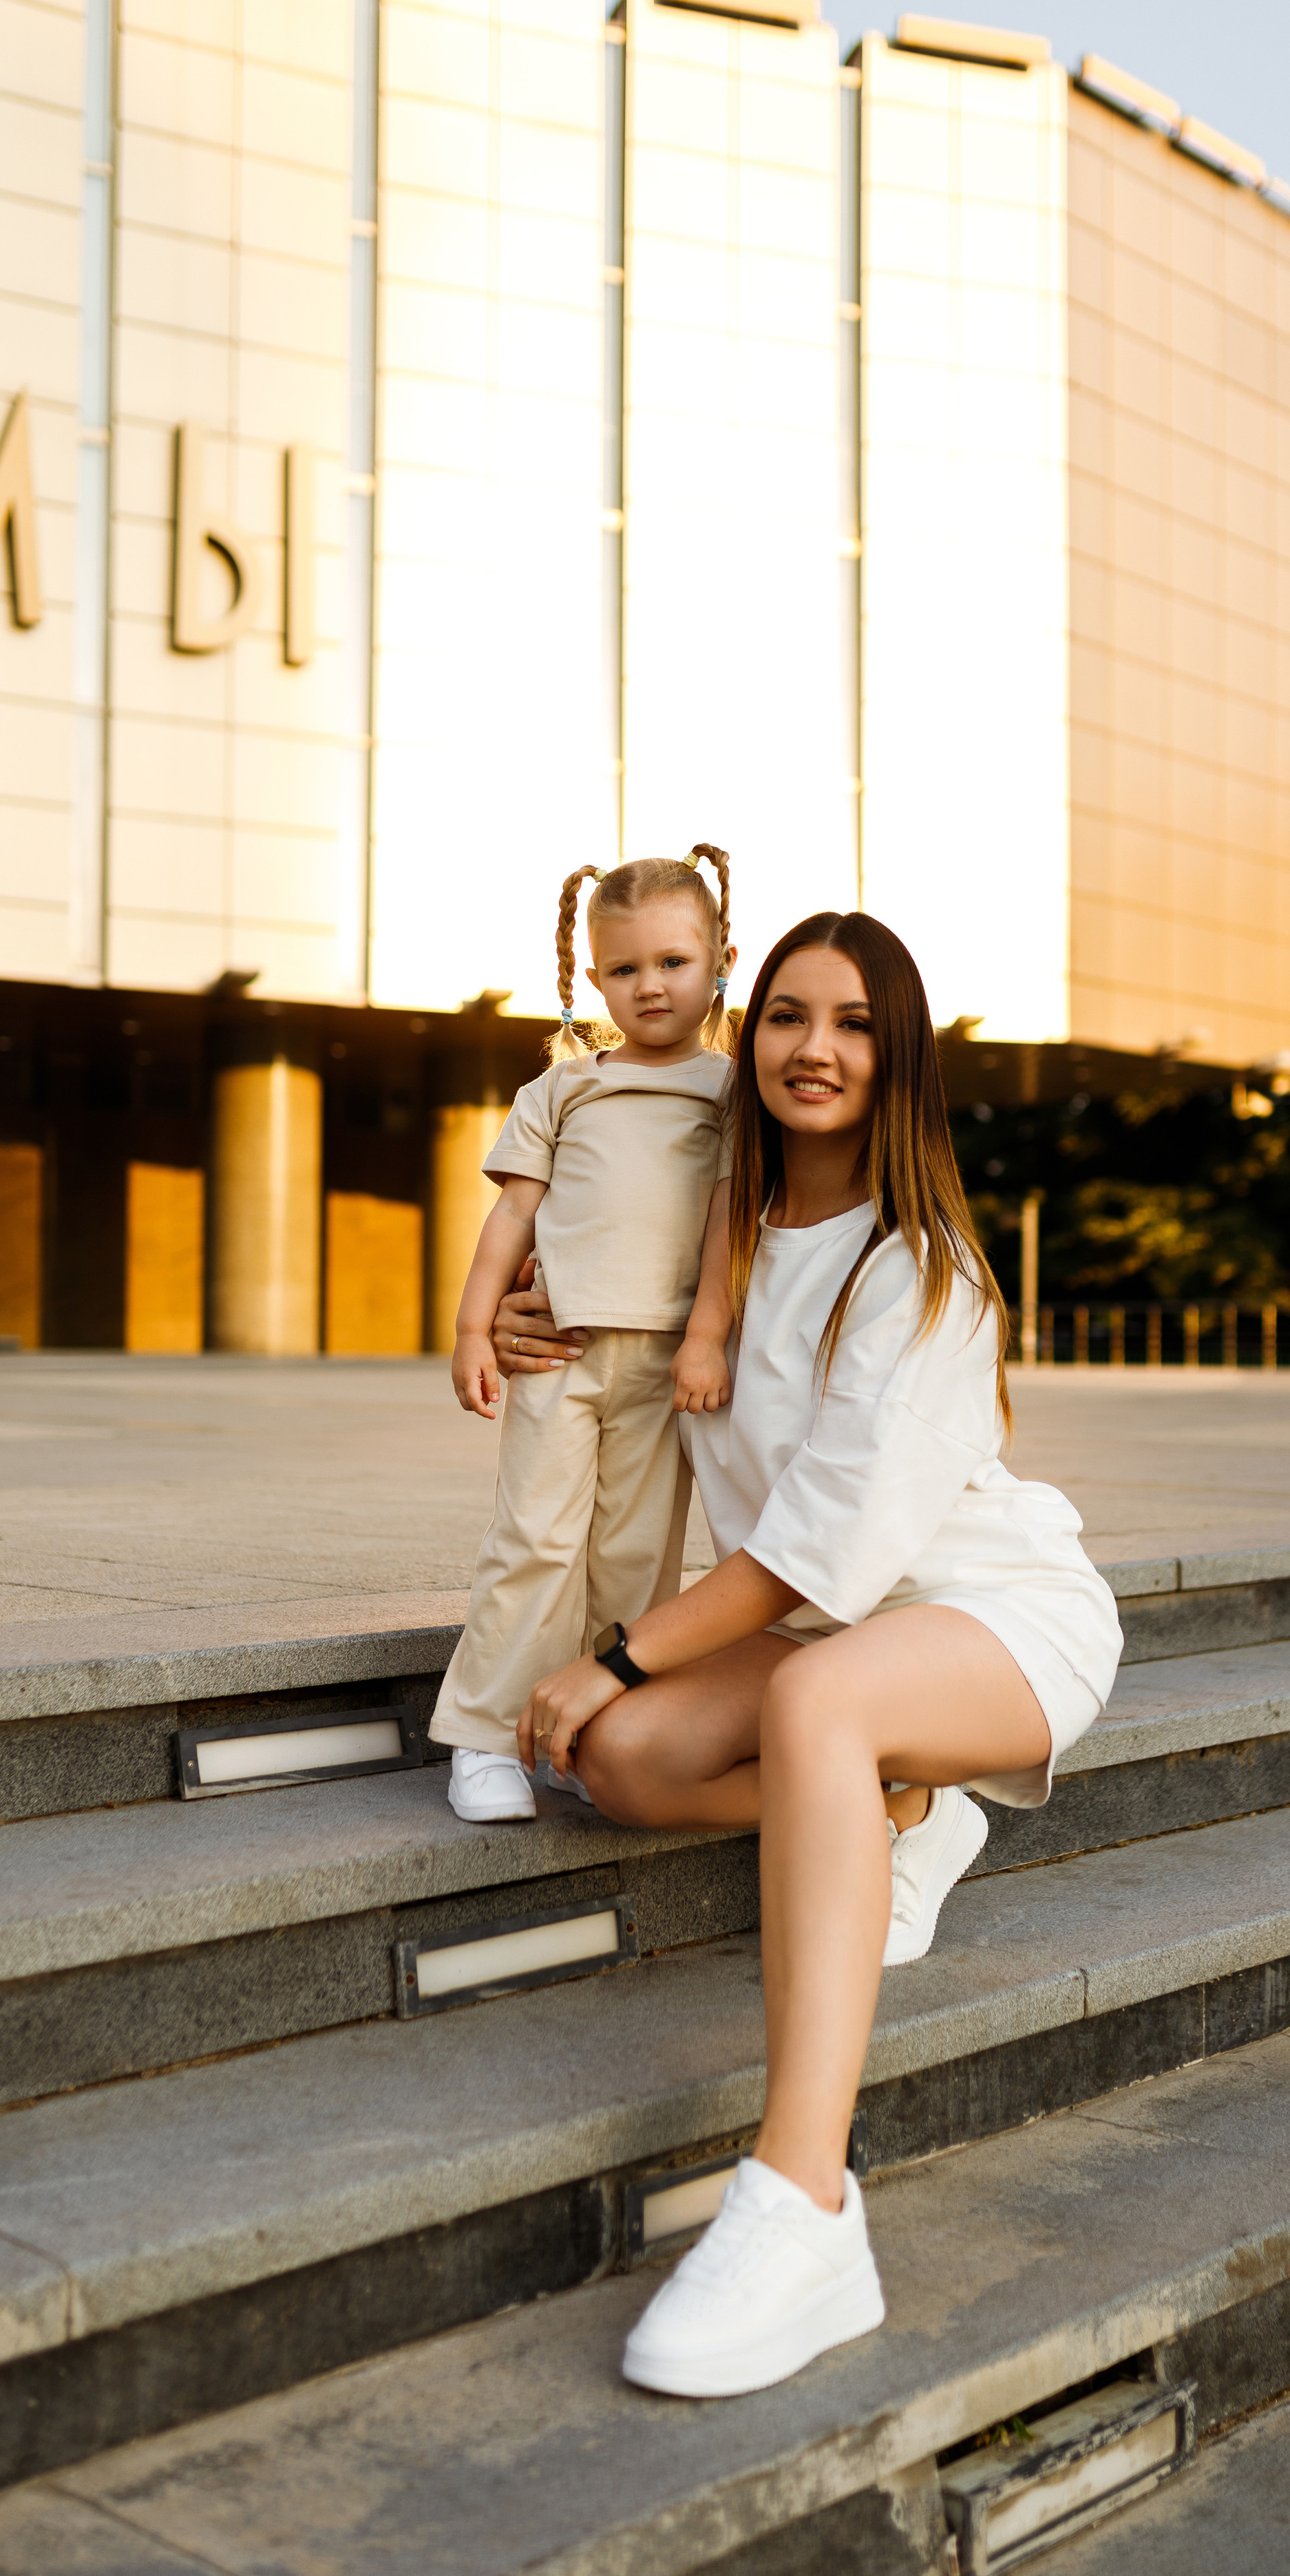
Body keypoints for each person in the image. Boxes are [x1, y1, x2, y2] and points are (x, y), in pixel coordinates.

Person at [491, 910, 1122, 2397]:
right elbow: (592, 1304)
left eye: (848, 1021)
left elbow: (815, 1551)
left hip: (991, 1621)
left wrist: (623, 1650)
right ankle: (901, 1810)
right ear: (743, 1035)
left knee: (800, 1694)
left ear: (893, 1054)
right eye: (783, 1015)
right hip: (828, 1636)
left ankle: (802, 2200)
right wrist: (530, 1322)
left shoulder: (922, 1266)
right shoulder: (719, 1241)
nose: (812, 1047)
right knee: (625, 1765)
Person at [430, 846, 739, 1821]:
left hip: (665, 1364)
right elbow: (512, 1220)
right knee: (533, 1539)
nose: (649, 986)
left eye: (673, 963)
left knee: (635, 1557)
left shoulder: (733, 1095)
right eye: (625, 969)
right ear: (590, 976)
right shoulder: (560, 1091)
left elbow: (729, 1226)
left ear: (721, 957)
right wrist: (474, 1327)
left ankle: (587, 1730)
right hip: (559, 1352)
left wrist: (706, 1335)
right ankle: (483, 1736)